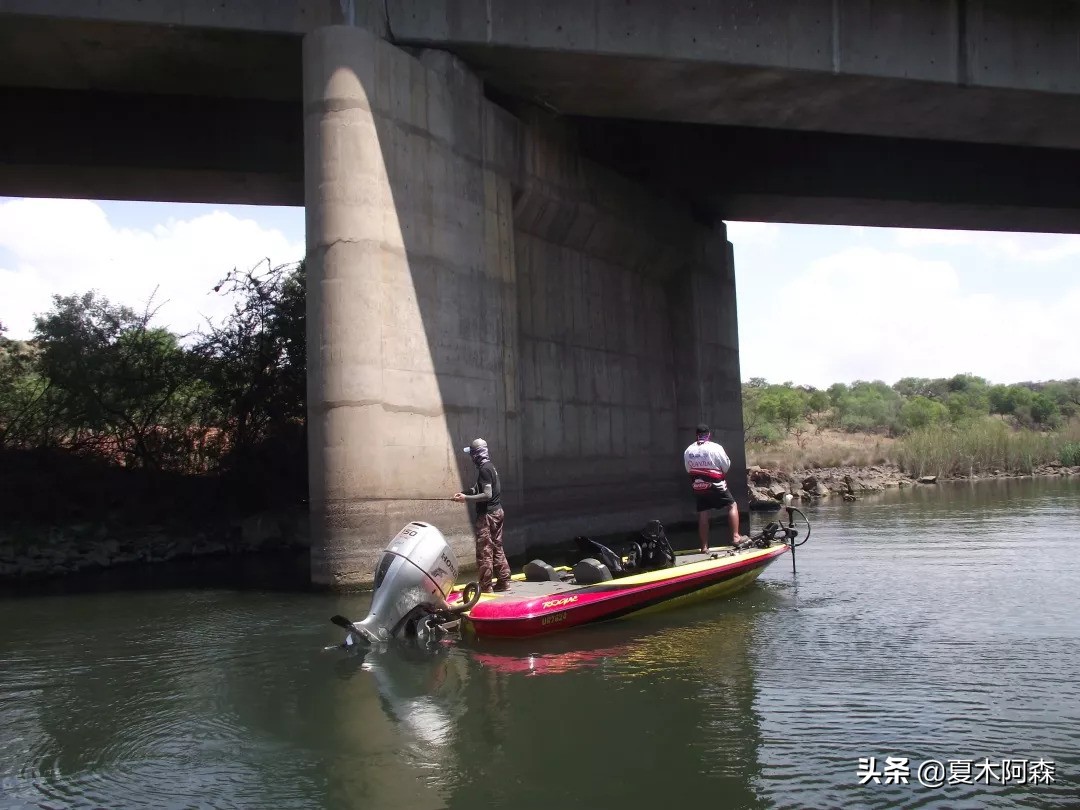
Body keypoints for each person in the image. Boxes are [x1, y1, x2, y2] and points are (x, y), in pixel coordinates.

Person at [452, 438, 511, 592]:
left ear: (477, 454)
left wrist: (466, 499)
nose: (471, 457)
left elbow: (487, 494)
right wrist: (465, 493)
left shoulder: (484, 470)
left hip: (487, 515)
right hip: (497, 512)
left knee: (484, 551)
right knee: (497, 547)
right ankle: (504, 582)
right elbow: (478, 488)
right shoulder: (490, 467)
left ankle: (486, 586)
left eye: (472, 453)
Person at [683, 423, 746, 553]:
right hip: (716, 484)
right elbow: (726, 466)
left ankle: (704, 547)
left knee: (704, 512)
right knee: (732, 505)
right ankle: (735, 537)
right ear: (709, 435)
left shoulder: (689, 450)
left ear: (696, 435)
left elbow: (688, 469)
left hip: (698, 486)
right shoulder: (715, 448)